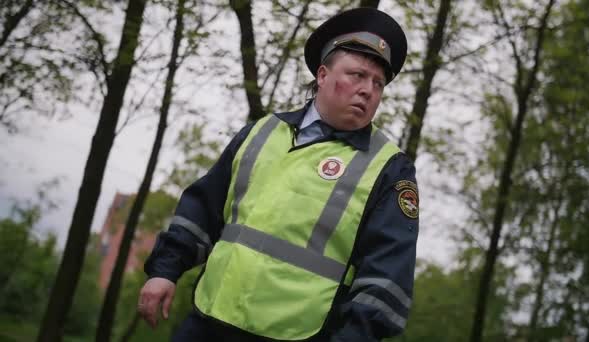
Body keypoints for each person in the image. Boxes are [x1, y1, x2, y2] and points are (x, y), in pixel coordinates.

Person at [138, 7, 419, 342]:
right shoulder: (261, 132)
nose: (368, 90)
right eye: (357, 75)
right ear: (323, 75)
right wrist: (164, 271)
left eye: (378, 83)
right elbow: (203, 208)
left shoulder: (389, 167)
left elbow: (387, 272)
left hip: (298, 334)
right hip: (208, 320)